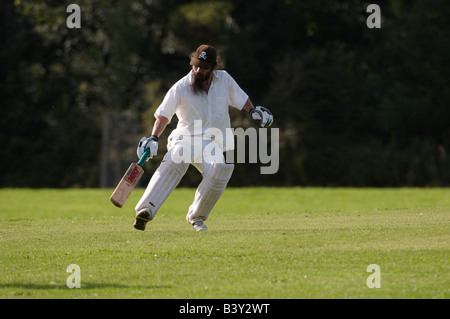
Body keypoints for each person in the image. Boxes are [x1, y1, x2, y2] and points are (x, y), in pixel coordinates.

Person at [134, 44, 273, 231]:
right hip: (185, 139)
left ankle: (197, 217)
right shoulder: (182, 86)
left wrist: (253, 110)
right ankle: (146, 210)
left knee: (221, 169)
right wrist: (153, 138)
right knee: (177, 157)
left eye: (203, 67)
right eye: (195, 65)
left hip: (211, 143)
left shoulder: (224, 80)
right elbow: (164, 115)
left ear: (213, 67)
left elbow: (240, 98)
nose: (197, 70)